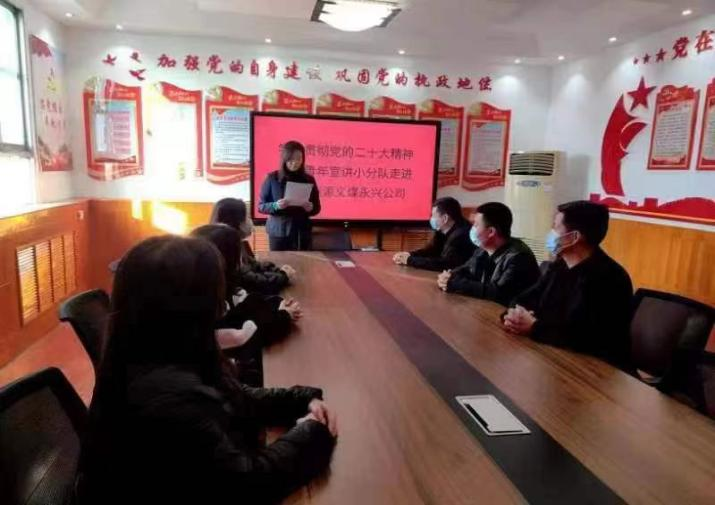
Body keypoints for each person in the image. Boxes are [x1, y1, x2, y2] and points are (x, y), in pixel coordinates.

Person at [75, 235, 336, 505]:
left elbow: (233, 395)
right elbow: (250, 485)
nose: (221, 305)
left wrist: (301, 399)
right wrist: (313, 432)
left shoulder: (155, 349)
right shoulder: (167, 398)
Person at [503, 201, 634, 370]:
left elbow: (586, 338)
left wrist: (534, 327)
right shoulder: (559, 266)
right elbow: (524, 298)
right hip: (553, 357)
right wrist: (514, 315)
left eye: (555, 227)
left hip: (597, 370)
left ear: (574, 237)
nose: (550, 232)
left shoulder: (610, 278)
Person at [191, 224, 301, 350]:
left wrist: (276, 305)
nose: (242, 260)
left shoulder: (215, 289)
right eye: (238, 254)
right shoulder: (208, 307)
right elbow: (247, 336)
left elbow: (249, 307)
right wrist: (284, 316)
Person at [438, 202, 540, 306]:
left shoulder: (519, 257)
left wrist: (458, 284)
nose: (472, 229)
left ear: (491, 232)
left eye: (476, 225)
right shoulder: (483, 250)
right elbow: (466, 269)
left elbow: (499, 293)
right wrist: (449, 276)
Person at [211, 197, 296, 296]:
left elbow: (254, 266)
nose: (250, 221)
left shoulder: (237, 243)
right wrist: (283, 276)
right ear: (236, 221)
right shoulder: (227, 250)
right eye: (247, 217)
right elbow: (254, 283)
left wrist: (276, 270)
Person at [258, 141, 321, 251]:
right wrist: (275, 205)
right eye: (291, 159)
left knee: (303, 260)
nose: (295, 163)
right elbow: (261, 206)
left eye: (299, 159)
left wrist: (311, 208)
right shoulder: (272, 178)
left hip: (301, 231)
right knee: (278, 261)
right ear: (284, 159)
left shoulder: (309, 179)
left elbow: (317, 208)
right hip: (278, 231)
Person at [393, 197, 475, 272]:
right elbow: (432, 250)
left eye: (433, 216)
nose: (431, 219)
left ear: (445, 218)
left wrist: (409, 260)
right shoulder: (442, 229)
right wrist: (410, 254)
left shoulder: (461, 235)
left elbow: (445, 264)